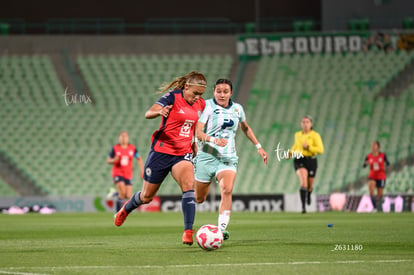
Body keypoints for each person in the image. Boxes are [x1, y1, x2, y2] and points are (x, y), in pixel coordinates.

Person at [114, 71, 207, 246]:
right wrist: (160, 112)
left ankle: (188, 231)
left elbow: (194, 125)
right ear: (186, 87)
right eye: (195, 93)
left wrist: (194, 142)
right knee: (147, 197)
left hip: (182, 153)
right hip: (161, 152)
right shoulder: (172, 97)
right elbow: (148, 113)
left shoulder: (201, 104)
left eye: (201, 94)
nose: (197, 97)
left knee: (189, 186)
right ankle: (125, 210)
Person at [194, 78, 268, 240]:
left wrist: (259, 147)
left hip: (227, 158)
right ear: (214, 91)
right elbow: (198, 133)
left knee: (227, 190)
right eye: (218, 91)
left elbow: (245, 128)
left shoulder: (237, 109)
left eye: (225, 91)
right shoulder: (207, 106)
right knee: (199, 198)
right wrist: (214, 140)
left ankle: (221, 230)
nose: (222, 94)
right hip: (206, 157)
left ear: (231, 93)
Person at [290, 115, 324, 213]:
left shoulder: (315, 135)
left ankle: (309, 193)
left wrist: (309, 147)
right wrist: (290, 152)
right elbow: (296, 146)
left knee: (309, 185)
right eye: (303, 122)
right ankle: (303, 207)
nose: (305, 124)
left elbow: (320, 149)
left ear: (311, 124)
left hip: (311, 160)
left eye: (307, 122)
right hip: (299, 159)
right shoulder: (297, 135)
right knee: (303, 182)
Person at [106, 131, 144, 212]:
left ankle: (114, 194)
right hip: (118, 173)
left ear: (128, 138)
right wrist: (114, 160)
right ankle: (117, 213)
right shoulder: (115, 148)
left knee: (128, 195)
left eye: (125, 136)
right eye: (122, 136)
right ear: (119, 138)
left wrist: (142, 171)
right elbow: (108, 161)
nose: (123, 138)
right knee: (122, 193)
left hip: (128, 174)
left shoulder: (132, 148)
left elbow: (139, 159)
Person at [363, 141, 390, 212]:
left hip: (381, 176)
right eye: (372, 145)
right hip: (372, 175)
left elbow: (388, 163)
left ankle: (380, 205)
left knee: (379, 195)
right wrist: (366, 163)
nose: (373, 146)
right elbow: (364, 165)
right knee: (371, 191)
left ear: (378, 147)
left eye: (374, 145)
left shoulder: (383, 155)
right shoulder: (369, 156)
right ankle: (374, 208)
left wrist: (386, 167)